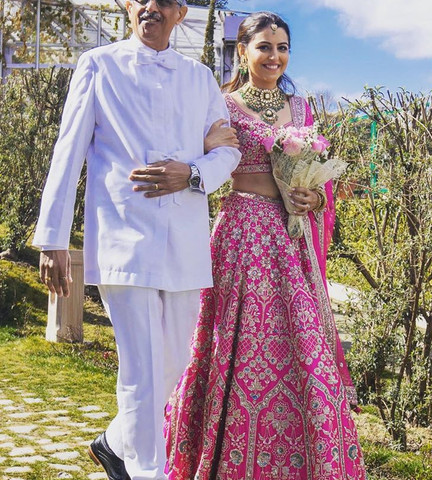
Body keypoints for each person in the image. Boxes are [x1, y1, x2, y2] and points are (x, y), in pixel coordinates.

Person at [32, 0, 241, 478]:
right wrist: (53, 240)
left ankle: (115, 441)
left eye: (163, 1)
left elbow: (227, 150)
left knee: (175, 361)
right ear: (128, 6)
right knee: (144, 370)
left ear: (180, 12)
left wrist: (191, 174)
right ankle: (149, 470)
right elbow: (68, 151)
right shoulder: (98, 65)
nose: (151, 7)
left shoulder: (200, 77)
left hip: (187, 239)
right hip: (124, 236)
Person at [164, 11, 367, 480]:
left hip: (291, 238)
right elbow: (207, 161)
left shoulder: (302, 110)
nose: (274, 56)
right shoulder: (221, 103)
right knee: (238, 340)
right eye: (264, 47)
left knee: (303, 342)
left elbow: (322, 178)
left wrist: (314, 195)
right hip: (244, 233)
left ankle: (305, 461)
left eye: (282, 48)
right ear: (243, 51)